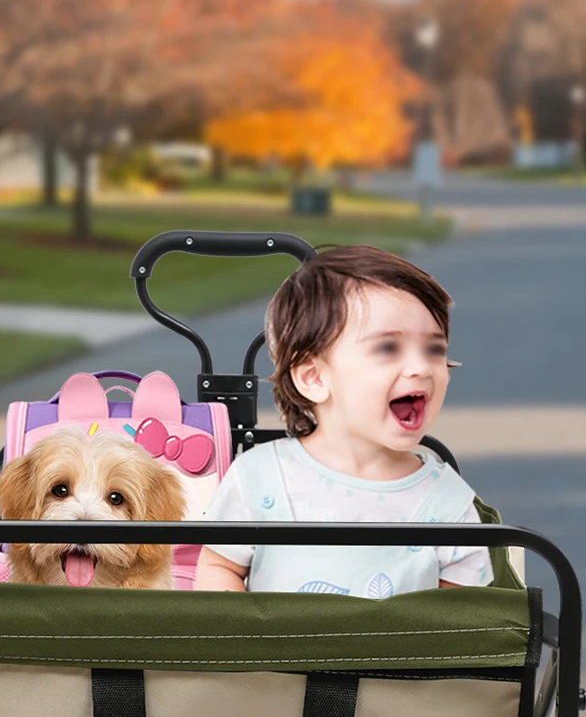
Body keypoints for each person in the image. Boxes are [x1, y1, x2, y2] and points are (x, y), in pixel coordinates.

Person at [195, 245, 492, 597]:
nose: (420, 367)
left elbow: (465, 622)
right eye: (387, 348)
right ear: (315, 378)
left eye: (435, 350)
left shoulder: (449, 503)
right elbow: (219, 566)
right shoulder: (259, 478)